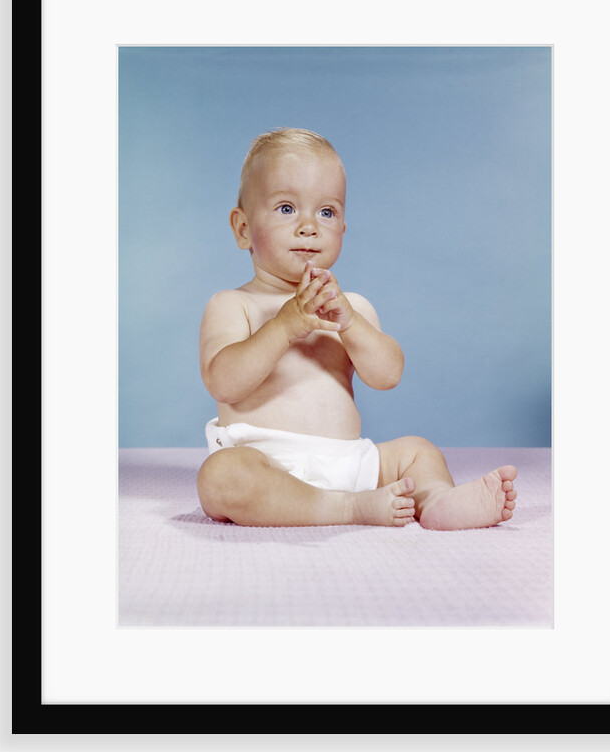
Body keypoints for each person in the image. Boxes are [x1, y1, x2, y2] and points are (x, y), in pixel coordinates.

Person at [196, 128, 517, 529]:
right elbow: (223, 383)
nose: (309, 226)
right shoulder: (232, 304)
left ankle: (437, 501)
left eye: (326, 212)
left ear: (342, 230)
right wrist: (283, 327)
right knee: (220, 477)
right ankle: (348, 509)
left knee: (417, 451)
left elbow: (388, 375)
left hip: (350, 463)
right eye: (285, 208)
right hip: (266, 460)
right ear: (243, 228)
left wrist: (350, 325)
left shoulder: (352, 309)